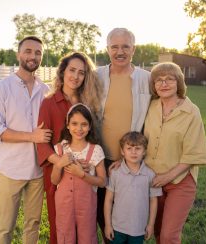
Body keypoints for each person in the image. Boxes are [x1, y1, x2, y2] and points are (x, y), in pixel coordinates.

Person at [0, 36, 53, 244]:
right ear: (18, 54)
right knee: (5, 227)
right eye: (28, 51)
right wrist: (32, 136)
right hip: (11, 170)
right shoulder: (2, 88)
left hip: (37, 171)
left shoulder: (45, 91)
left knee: (32, 225)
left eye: (38, 53)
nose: (33, 56)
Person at [37, 52, 102, 244]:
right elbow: (42, 144)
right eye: (72, 70)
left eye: (81, 72)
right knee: (61, 229)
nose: (75, 76)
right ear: (63, 71)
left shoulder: (88, 102)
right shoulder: (49, 103)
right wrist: (63, 163)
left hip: (85, 178)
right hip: (58, 175)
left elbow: (93, 137)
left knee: (86, 228)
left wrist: (88, 164)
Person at [144, 62, 206, 243]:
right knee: (157, 231)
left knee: (169, 236)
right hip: (152, 180)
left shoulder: (191, 111)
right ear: (154, 86)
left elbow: (193, 154)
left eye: (169, 79)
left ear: (179, 82)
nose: (163, 84)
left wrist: (167, 177)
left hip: (180, 180)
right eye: (159, 80)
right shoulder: (150, 107)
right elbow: (139, 140)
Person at [96, 27, 151, 243]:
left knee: (127, 216)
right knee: (102, 212)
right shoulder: (96, 75)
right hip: (99, 159)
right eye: (115, 47)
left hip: (130, 160)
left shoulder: (145, 78)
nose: (120, 51)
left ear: (133, 49)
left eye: (125, 46)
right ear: (107, 49)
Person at [51, 103, 107, 244]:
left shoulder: (95, 150)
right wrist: (59, 164)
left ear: (90, 126)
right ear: (68, 125)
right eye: (74, 124)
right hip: (64, 204)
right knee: (65, 235)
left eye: (84, 124)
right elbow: (54, 181)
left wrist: (82, 174)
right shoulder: (60, 148)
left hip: (86, 205)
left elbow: (102, 181)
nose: (79, 129)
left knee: (87, 236)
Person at [104, 131, 162, 244]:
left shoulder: (150, 175)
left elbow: (153, 201)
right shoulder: (115, 173)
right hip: (117, 227)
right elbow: (108, 200)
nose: (133, 152)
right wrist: (108, 224)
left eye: (138, 148)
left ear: (144, 151)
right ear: (122, 151)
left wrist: (150, 225)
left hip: (138, 229)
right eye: (129, 148)